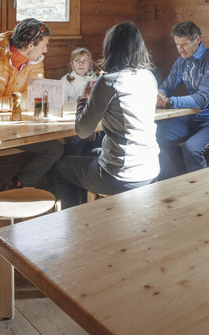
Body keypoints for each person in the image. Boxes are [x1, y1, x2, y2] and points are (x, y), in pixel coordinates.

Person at [52, 22, 160, 208]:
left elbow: (83, 131)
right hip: (151, 168)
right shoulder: (148, 77)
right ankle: (92, 207)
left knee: (61, 167)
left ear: (111, 48)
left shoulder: (109, 81)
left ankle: (73, 220)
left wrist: (85, 98)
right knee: (89, 152)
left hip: (121, 175)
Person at [0, 18, 61, 196]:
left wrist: (29, 102)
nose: (46, 50)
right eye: (44, 45)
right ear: (30, 45)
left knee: (55, 148)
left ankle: (18, 184)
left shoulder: (37, 61)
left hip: (16, 126)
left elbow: (37, 97)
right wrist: (19, 102)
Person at [156, 21, 209, 176]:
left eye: (184, 44)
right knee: (155, 135)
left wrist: (169, 102)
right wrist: (160, 93)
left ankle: (200, 192)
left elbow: (202, 99)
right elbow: (167, 85)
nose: (180, 50)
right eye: (177, 44)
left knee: (191, 148)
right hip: (192, 118)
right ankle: (171, 181)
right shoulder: (181, 62)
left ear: (197, 40)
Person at [60, 46, 101, 157]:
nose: (81, 64)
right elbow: (61, 107)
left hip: (92, 123)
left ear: (90, 64)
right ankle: (73, 168)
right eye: (77, 61)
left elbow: (98, 106)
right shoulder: (65, 80)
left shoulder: (96, 80)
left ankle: (90, 169)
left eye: (85, 61)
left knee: (99, 140)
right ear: (72, 65)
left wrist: (94, 127)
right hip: (72, 124)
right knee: (78, 142)